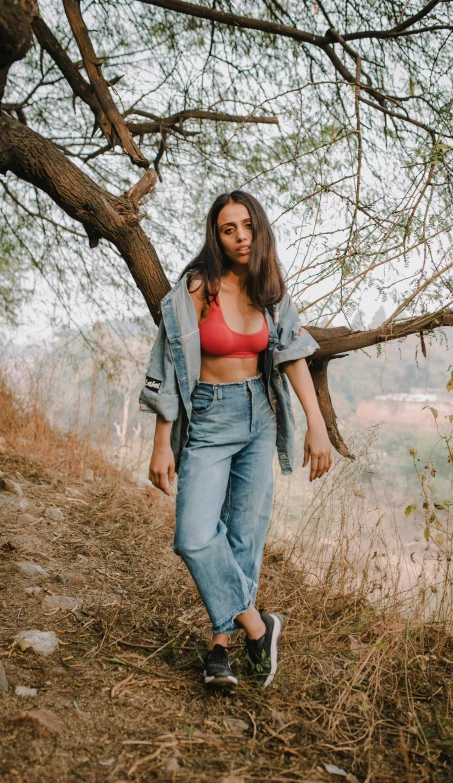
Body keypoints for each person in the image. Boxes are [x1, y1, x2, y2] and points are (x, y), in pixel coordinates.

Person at [139, 190, 332, 689]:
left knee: (245, 537)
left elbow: (292, 355)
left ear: (259, 227)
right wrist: (163, 440)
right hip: (209, 417)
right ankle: (257, 626)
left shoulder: (271, 288)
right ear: (217, 236)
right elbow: (168, 361)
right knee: (195, 535)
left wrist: (316, 425)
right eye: (229, 229)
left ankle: (219, 649)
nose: (241, 237)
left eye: (247, 226)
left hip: (261, 415)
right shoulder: (199, 288)